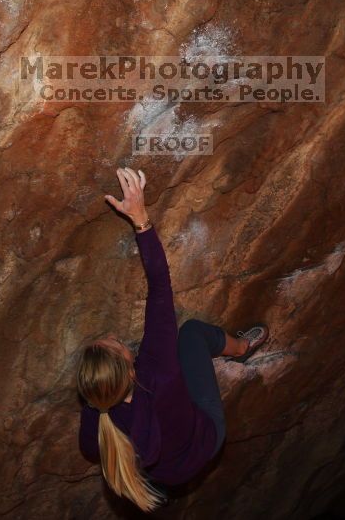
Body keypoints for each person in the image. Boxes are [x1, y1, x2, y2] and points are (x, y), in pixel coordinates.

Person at [76, 166, 270, 513]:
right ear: (131, 371)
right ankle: (242, 349)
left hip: (168, 474)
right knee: (192, 332)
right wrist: (140, 219)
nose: (110, 336)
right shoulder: (158, 369)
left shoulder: (99, 412)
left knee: (155, 442)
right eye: (114, 345)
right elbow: (160, 288)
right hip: (207, 439)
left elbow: (91, 450)